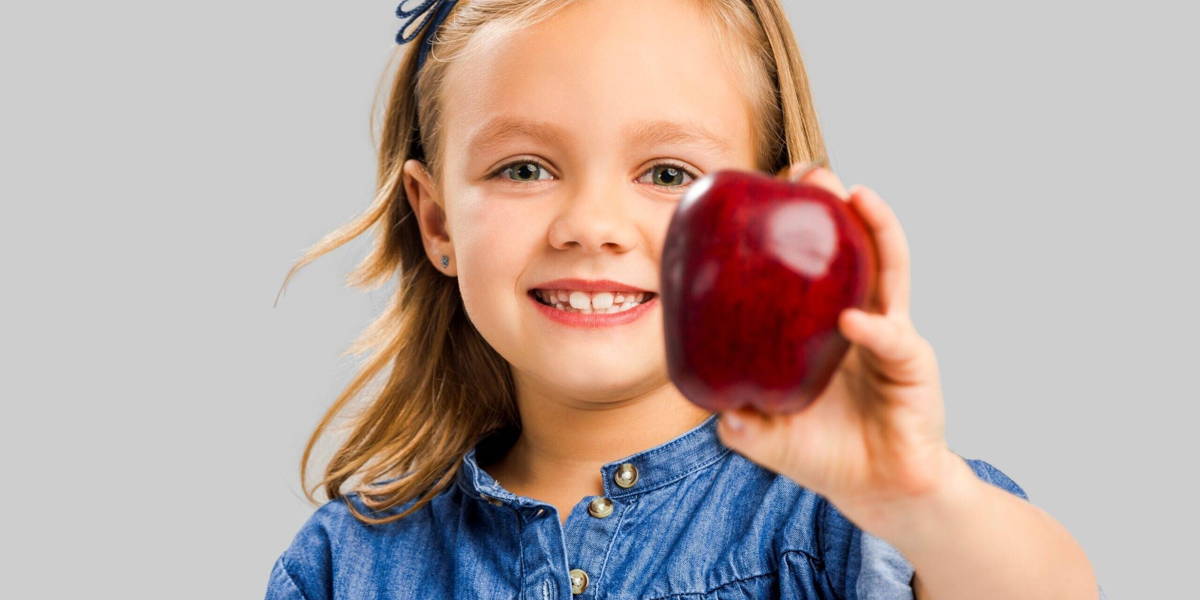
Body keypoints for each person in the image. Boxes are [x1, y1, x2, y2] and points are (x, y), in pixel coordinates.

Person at [265, 0, 1105, 597]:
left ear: (766, 215)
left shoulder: (842, 519)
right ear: (437, 220)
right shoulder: (347, 565)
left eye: (668, 174)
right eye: (523, 168)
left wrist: (919, 495)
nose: (593, 226)